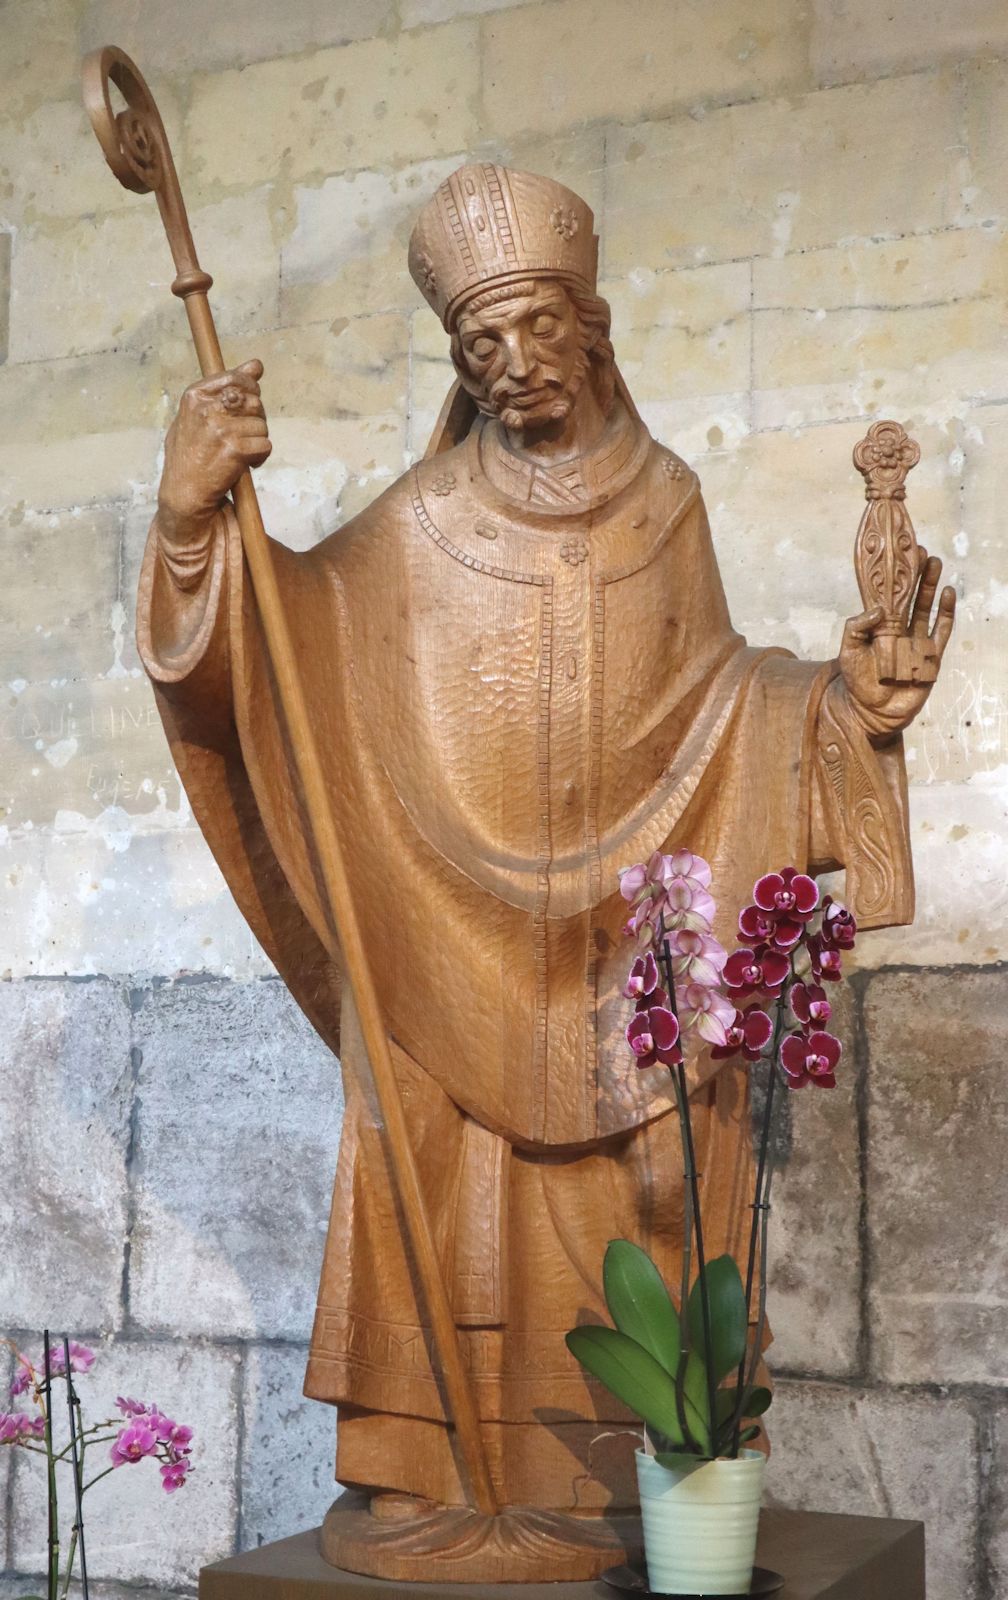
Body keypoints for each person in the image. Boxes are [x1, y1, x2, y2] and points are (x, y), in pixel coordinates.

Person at [138, 164, 954, 1557]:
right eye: (480, 345)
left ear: (591, 323)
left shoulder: (667, 504)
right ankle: (435, 1475)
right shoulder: (424, 518)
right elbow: (283, 640)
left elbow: (725, 696)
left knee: (650, 1194)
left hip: (626, 940)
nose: (512, 366)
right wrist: (191, 523)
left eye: (533, 327)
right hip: (448, 927)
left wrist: (841, 712)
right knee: (437, 1158)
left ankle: (636, 1479)